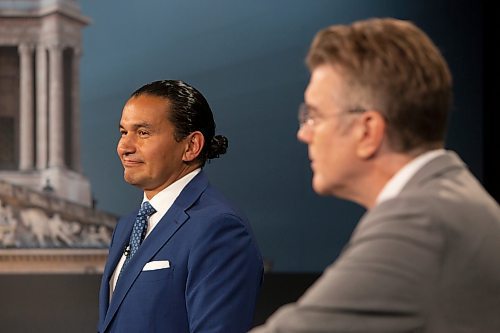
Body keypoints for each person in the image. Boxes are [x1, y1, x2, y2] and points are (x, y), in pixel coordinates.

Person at [251, 18, 500, 333]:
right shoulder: (447, 198)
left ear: (367, 131)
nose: (304, 134)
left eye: (313, 116)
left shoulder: (420, 221)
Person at [98, 80, 263, 333]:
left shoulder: (219, 227)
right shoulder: (126, 226)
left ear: (191, 146)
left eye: (142, 133)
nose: (125, 147)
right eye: (123, 132)